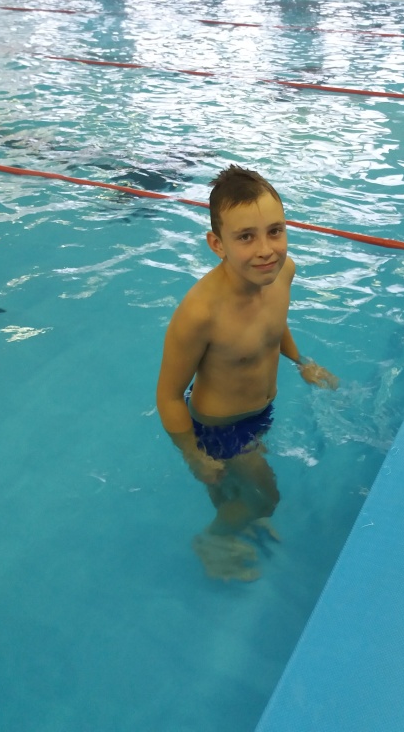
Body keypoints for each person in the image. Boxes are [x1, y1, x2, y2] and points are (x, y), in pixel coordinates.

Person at [156, 164, 338, 581]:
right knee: (265, 497)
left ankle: (236, 519)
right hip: (218, 426)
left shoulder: (282, 274)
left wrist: (301, 362)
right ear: (217, 244)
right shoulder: (201, 314)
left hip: (258, 412)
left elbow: (274, 327)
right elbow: (168, 396)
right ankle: (213, 539)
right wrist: (193, 454)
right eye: (245, 237)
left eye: (275, 231)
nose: (266, 250)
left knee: (235, 489)